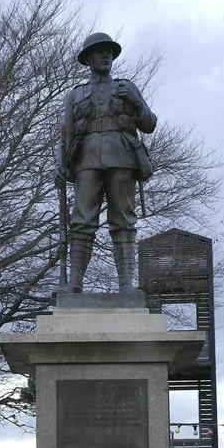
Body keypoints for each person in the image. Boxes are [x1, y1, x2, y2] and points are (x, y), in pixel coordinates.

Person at [57, 32, 157, 292]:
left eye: (109, 52)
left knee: (124, 221)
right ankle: (75, 284)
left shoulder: (127, 88)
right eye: (100, 52)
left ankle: (126, 286)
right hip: (86, 161)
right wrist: (60, 165)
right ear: (88, 58)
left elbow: (149, 124)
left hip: (122, 158)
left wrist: (137, 104)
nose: (106, 57)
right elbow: (66, 132)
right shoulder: (75, 95)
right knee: (82, 221)